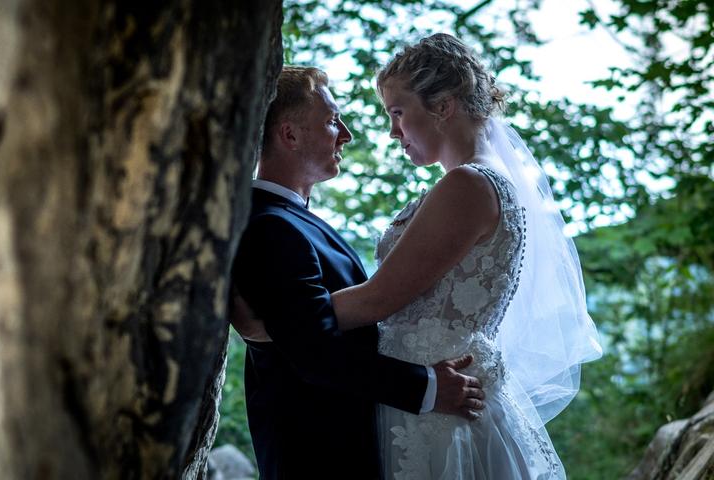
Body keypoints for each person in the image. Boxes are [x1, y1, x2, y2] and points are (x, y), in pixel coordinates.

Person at [328, 33, 603, 479]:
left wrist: (284, 320)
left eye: (398, 113)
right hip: (433, 392)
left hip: (437, 405)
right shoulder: (481, 181)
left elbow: (378, 300)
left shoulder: (468, 186)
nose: (393, 132)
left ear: (442, 106)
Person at [230, 65, 486, 480]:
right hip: (318, 452)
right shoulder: (269, 226)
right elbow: (314, 352)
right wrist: (428, 387)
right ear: (289, 135)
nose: (346, 134)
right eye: (332, 121)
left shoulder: (292, 220)